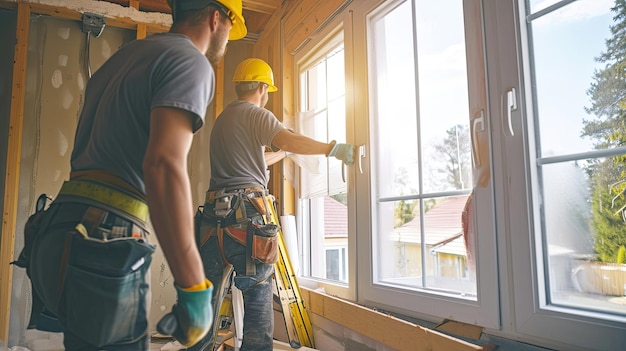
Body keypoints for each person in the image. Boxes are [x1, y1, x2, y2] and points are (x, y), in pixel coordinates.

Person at [14, 1, 247, 350]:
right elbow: (164, 165)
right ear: (218, 19)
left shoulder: (124, 58)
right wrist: (193, 284)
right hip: (103, 241)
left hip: (56, 231)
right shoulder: (191, 62)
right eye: (232, 27)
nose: (228, 40)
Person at [189, 58, 355, 351]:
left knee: (207, 300)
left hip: (213, 222)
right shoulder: (257, 114)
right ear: (263, 87)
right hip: (247, 219)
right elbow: (288, 140)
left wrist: (283, 155)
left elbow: (257, 161)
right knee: (257, 296)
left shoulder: (225, 119)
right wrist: (331, 148)